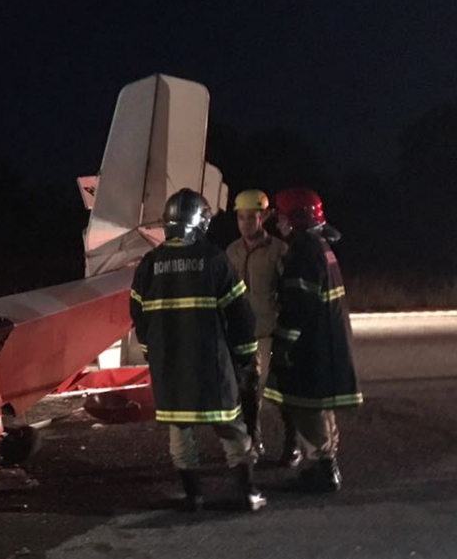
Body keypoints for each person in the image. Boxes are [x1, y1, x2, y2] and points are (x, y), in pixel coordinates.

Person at [130, 189, 265, 512]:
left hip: (170, 366)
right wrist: (246, 355)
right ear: (200, 221)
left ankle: (193, 496)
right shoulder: (214, 259)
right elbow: (239, 313)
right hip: (212, 363)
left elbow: (138, 315)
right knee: (230, 427)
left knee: (180, 430)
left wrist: (153, 352)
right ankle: (247, 493)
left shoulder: (150, 263)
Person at [264, 188, 362, 492]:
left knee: (308, 407)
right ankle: (325, 462)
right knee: (320, 407)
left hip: (312, 346)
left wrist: (283, 344)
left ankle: (323, 470)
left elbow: (297, 305)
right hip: (326, 341)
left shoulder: (304, 251)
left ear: (297, 219)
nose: (278, 222)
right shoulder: (320, 245)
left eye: (281, 216)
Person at [225, 189, 300, 466]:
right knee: (247, 392)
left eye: (251, 217)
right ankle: (252, 443)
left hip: (270, 332)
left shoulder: (279, 250)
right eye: (241, 217)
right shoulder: (231, 252)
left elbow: (291, 292)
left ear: (264, 217)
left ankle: (292, 444)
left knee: (277, 392)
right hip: (242, 335)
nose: (245, 223)